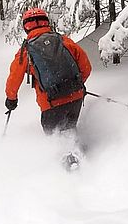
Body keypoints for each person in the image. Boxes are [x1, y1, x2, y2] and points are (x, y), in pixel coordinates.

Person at [5, 7, 92, 135]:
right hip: (75, 97)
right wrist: (74, 85)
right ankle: (81, 151)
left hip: (51, 103)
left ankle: (72, 153)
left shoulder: (26, 50)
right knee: (70, 132)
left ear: (26, 27)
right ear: (46, 21)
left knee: (56, 140)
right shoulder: (63, 41)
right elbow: (86, 67)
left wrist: (11, 99)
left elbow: (14, 77)